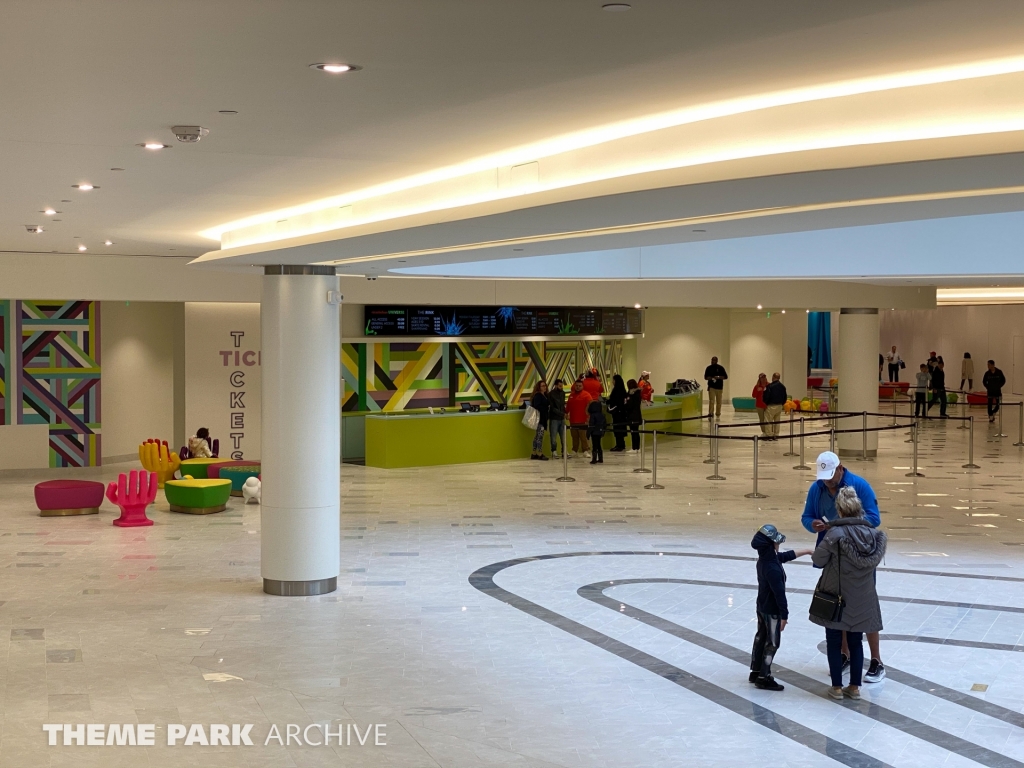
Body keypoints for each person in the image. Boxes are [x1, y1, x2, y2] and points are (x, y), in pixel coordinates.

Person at [800, 451, 886, 683]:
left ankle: (876, 660)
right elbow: (807, 517)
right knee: (839, 606)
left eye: (831, 476)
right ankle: (845, 655)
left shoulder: (859, 485)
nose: (828, 481)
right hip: (835, 559)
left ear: (840, 468)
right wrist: (814, 525)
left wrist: (841, 526)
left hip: (859, 554)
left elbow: (874, 519)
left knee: (866, 608)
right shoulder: (816, 489)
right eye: (824, 477)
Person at [749, 524, 813, 691]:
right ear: (771, 545)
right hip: (772, 611)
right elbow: (780, 595)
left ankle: (755, 671)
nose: (779, 545)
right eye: (776, 542)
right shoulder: (773, 568)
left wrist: (807, 551)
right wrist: (784, 616)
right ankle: (764, 677)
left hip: (761, 606)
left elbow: (785, 556)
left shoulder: (765, 560)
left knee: (760, 637)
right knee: (772, 643)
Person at [566, 380, 593, 458]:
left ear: (582, 386)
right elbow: (568, 407)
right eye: (576, 385)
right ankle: (574, 450)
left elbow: (591, 406)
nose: (578, 387)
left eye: (579, 386)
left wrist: (589, 418)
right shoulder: (571, 395)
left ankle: (585, 450)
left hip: (583, 420)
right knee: (574, 437)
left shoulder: (587, 395)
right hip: (573, 420)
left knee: (583, 437)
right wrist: (566, 413)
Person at [528, 380, 550, 461]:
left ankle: (534, 453)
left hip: (542, 418)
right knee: (540, 436)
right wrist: (546, 408)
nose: (544, 387)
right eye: (542, 386)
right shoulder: (538, 395)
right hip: (539, 419)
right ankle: (540, 453)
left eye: (545, 385)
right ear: (539, 387)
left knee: (537, 436)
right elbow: (537, 406)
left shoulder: (545, 395)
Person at [607, 374, 628, 452]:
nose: (612, 381)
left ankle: (619, 445)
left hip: (617, 413)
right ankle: (621, 444)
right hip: (622, 413)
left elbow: (614, 400)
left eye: (613, 380)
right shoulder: (622, 390)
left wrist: (607, 401)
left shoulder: (616, 390)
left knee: (617, 428)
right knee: (621, 429)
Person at [762, 373, 787, 439]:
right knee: (777, 421)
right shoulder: (782, 386)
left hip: (771, 405)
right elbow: (785, 397)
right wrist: (782, 403)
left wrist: (766, 403)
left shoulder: (769, 386)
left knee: (768, 420)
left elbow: (766, 396)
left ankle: (769, 434)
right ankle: (776, 434)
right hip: (779, 406)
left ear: (773, 377)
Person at [548, 379, 566, 459]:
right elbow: (552, 408)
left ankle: (564, 451)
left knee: (563, 436)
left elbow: (562, 405)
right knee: (553, 436)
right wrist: (562, 414)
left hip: (562, 418)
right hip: (554, 418)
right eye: (559, 386)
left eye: (562, 386)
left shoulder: (563, 393)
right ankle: (554, 451)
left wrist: (564, 414)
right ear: (555, 385)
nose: (561, 387)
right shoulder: (551, 394)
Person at [984, 360, 1006, 424]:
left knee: (998, 404)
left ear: (993, 365)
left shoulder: (999, 372)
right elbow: (984, 381)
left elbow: (1003, 380)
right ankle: (990, 416)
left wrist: (999, 386)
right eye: (987, 365)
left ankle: (994, 412)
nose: (988, 366)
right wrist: (988, 387)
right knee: (989, 404)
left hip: (997, 391)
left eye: (989, 365)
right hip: (990, 391)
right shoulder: (987, 373)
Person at [625, 378, 643, 451]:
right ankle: (636, 447)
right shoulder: (638, 394)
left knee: (633, 432)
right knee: (636, 432)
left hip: (632, 416)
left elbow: (630, 405)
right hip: (637, 415)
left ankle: (635, 447)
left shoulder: (632, 395)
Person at [587, 400, 607, 464]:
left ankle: (594, 459)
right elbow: (605, 424)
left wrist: (588, 433)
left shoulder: (593, 415)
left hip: (594, 432)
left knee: (594, 446)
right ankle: (600, 458)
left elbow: (591, 425)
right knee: (599, 445)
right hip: (600, 432)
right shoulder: (602, 415)